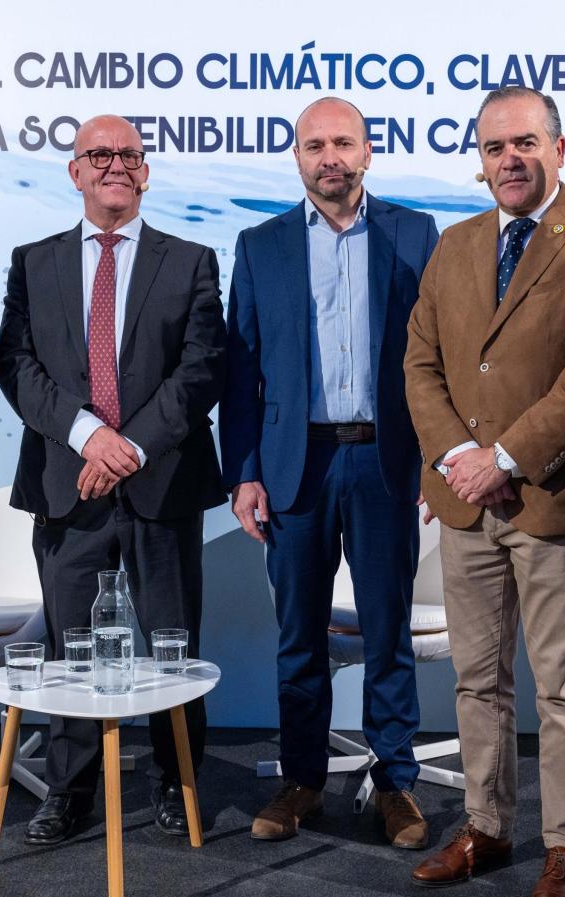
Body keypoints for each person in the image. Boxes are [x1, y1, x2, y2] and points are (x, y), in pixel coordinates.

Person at [403, 86, 565, 897]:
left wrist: (505, 456)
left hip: (555, 499)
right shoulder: (455, 243)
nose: (510, 159)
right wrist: (460, 459)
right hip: (465, 504)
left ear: (560, 149)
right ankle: (487, 825)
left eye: (526, 143)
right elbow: (419, 363)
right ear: (480, 158)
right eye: (495, 147)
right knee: (477, 681)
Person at [0, 114, 225, 846]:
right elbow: (17, 367)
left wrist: (131, 446)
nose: (114, 165)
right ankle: (71, 788)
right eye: (99, 154)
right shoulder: (33, 262)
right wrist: (90, 437)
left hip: (161, 484)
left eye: (128, 154)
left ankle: (174, 778)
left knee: (172, 641)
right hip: (69, 483)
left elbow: (202, 368)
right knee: (68, 647)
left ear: (146, 171)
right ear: (76, 172)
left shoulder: (190, 260)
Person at [221, 97, 439, 848]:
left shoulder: (415, 233)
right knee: (298, 635)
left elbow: (435, 359)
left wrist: (439, 458)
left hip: (386, 460)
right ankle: (302, 779)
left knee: (388, 631)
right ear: (297, 156)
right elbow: (241, 371)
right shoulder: (260, 246)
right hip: (296, 464)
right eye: (315, 145)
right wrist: (243, 472)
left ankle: (396, 783)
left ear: (369, 151)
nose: (330, 157)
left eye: (343, 142)